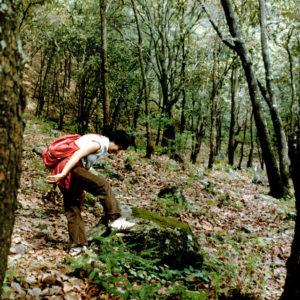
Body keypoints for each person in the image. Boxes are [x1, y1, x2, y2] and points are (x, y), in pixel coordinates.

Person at [45, 130, 135, 255]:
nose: (117, 152)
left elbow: (85, 165)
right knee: (103, 185)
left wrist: (80, 187)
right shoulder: (98, 144)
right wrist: (63, 173)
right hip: (69, 169)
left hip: (68, 171)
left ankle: (77, 245)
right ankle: (115, 219)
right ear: (115, 140)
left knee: (73, 208)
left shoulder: (98, 142)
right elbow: (76, 156)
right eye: (118, 148)